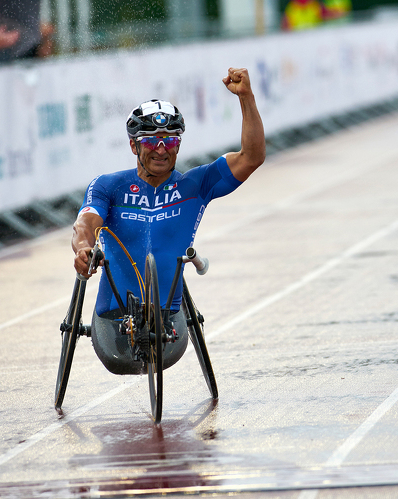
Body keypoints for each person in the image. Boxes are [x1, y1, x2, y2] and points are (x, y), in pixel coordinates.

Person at [71, 67, 265, 374]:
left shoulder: (195, 184)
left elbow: (251, 157)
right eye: (151, 141)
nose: (162, 149)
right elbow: (87, 222)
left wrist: (246, 98)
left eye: (171, 141)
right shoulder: (109, 185)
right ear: (133, 145)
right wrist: (84, 248)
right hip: (112, 315)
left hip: (169, 315)